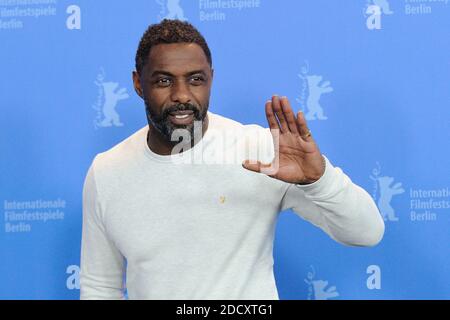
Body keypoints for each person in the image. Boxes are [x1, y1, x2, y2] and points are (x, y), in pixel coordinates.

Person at [80, 19, 385, 300]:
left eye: (195, 80)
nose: (182, 95)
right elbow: (99, 287)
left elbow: (367, 233)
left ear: (211, 79)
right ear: (138, 83)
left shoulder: (262, 151)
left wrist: (320, 180)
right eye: (163, 81)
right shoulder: (107, 171)